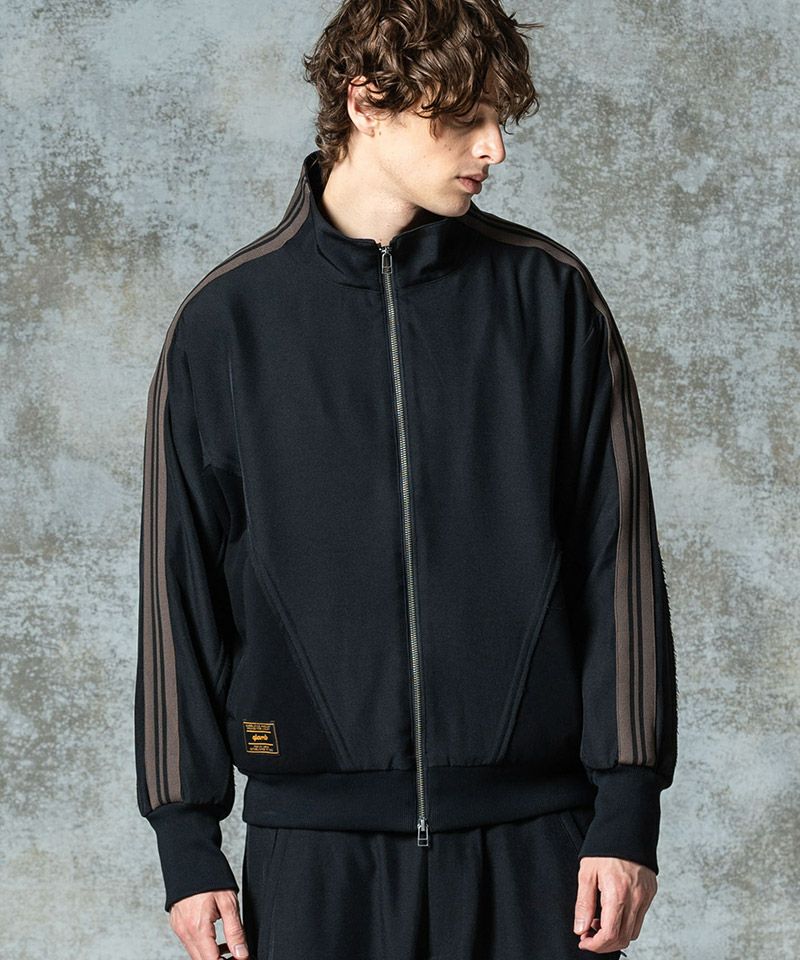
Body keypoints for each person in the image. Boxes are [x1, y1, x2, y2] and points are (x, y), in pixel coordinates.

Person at [133, 1, 679, 958]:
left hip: (537, 846)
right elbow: (178, 592)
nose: (494, 148)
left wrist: (627, 808)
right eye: (465, 119)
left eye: (499, 119)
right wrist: (187, 840)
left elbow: (617, 558)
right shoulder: (229, 323)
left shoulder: (549, 297)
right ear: (366, 102)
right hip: (314, 855)